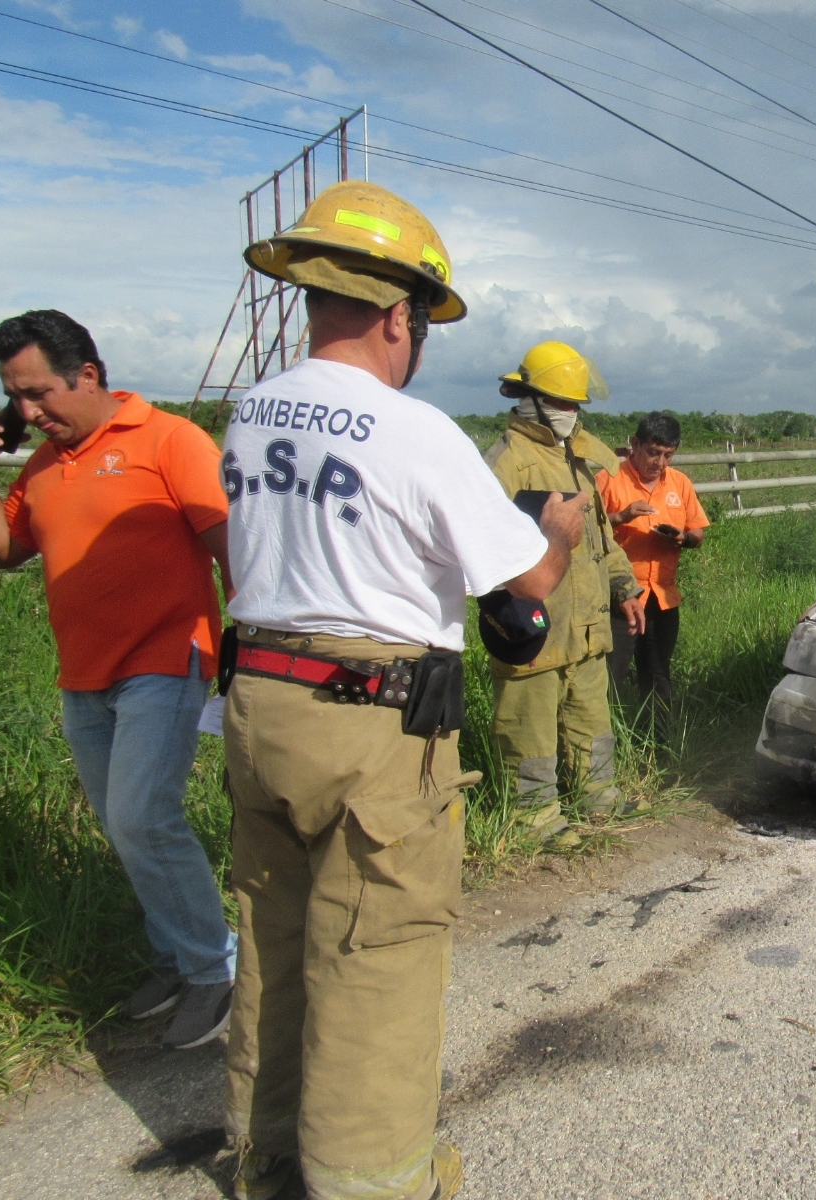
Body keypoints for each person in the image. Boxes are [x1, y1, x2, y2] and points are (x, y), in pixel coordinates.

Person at [219, 181, 586, 1200]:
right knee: (376, 948)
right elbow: (525, 585)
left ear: (311, 300)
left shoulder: (248, 416)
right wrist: (552, 532)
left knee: (275, 934)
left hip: (260, 706)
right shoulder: (415, 432)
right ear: (398, 318)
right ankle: (372, 1179)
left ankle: (263, 1154)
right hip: (373, 726)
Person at [0, 310, 238, 1051]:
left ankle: (216, 969)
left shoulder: (170, 440)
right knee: (124, 827)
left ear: (88, 374)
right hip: (83, 672)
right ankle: (175, 959)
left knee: (142, 817)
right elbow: (3, 551)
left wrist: (252, 655)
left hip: (165, 659)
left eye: (39, 392)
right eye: (14, 398)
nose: (27, 411)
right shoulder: (48, 464)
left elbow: (230, 551)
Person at [483, 341, 645, 845]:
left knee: (590, 716)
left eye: (576, 405)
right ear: (529, 399)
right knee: (527, 727)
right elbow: (484, 548)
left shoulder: (576, 460)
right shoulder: (507, 463)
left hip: (587, 622)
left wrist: (625, 587)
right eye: (563, 403)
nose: (571, 415)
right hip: (536, 624)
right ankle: (534, 822)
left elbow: (602, 537)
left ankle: (599, 800)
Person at [598, 411, 708, 727]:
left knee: (658, 674)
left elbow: (697, 532)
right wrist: (621, 517)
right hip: (620, 599)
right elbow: (588, 531)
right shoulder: (608, 480)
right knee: (609, 677)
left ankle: (657, 745)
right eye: (653, 452)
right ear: (635, 444)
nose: (659, 462)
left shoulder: (680, 483)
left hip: (662, 598)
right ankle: (606, 746)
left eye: (668, 455)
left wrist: (682, 538)